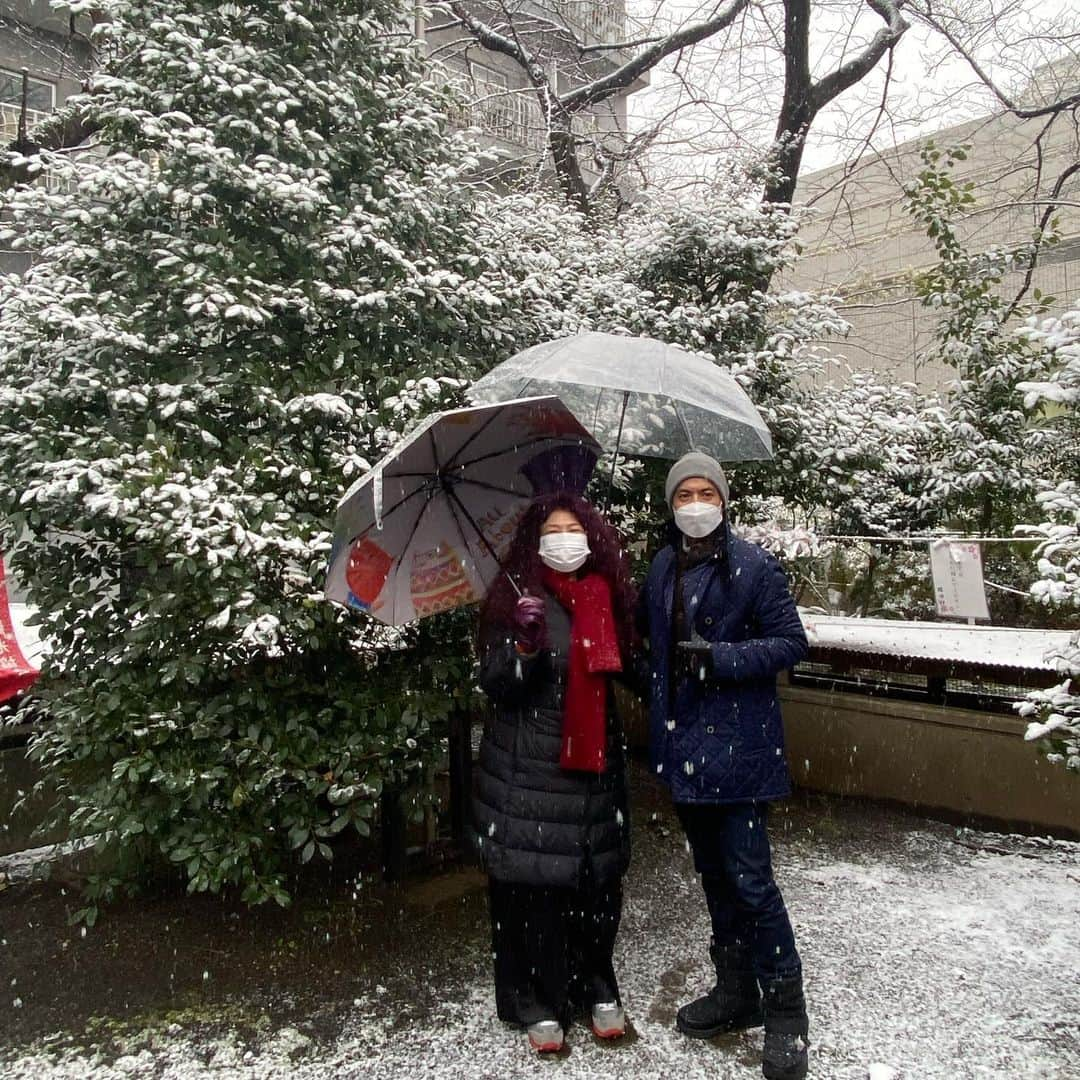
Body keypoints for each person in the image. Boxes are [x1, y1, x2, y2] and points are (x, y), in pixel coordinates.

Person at [637, 452, 811, 1080]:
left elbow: (793, 643)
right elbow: (649, 648)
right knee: (713, 876)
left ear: (724, 499)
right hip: (684, 751)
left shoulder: (753, 565)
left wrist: (721, 657)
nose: (695, 502)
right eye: (683, 493)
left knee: (752, 880)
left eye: (705, 491)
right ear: (670, 503)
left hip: (737, 751)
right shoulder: (661, 566)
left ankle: (787, 1016)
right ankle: (737, 992)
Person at [473, 491, 638, 1054]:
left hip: (595, 767)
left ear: (591, 538)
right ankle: (538, 999)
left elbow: (633, 670)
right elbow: (496, 684)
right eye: (553, 530)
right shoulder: (513, 597)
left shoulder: (605, 595)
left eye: (575, 528)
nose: (564, 539)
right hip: (531, 768)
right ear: (533, 540)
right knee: (537, 889)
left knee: (598, 882)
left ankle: (595, 984)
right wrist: (523, 646)